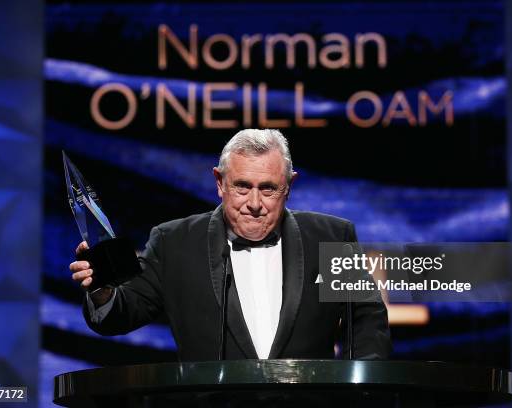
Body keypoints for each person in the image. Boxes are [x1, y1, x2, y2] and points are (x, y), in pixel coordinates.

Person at [70, 129, 391, 361]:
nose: (254, 203)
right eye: (241, 187)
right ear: (219, 183)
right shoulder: (174, 242)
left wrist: (359, 389)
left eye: (268, 189)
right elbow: (122, 315)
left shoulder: (330, 237)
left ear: (289, 185)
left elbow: (364, 321)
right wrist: (102, 291)